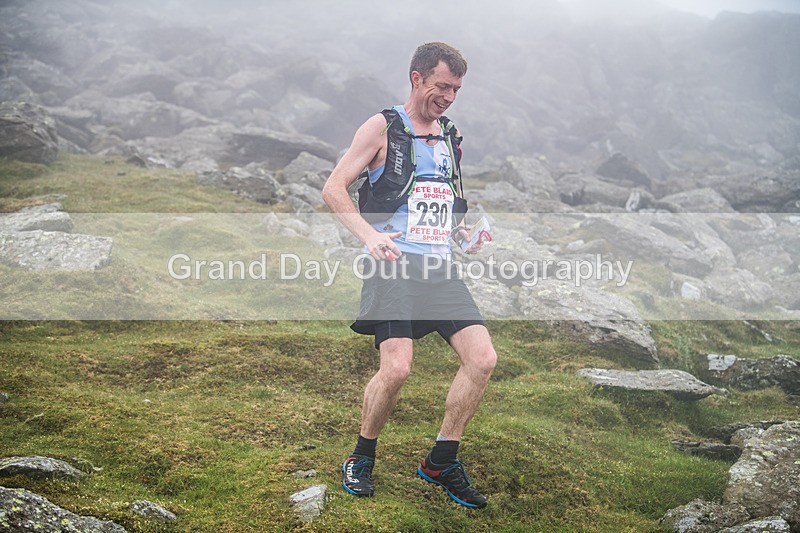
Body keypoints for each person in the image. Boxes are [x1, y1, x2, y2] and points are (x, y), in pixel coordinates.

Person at [321, 42, 497, 509]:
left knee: (482, 360)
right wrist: (367, 236)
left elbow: (439, 200)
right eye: (442, 86)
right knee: (396, 369)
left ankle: (441, 460)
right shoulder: (383, 126)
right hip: (394, 266)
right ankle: (361, 456)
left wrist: (464, 236)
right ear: (417, 78)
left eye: (457, 89)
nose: (450, 97)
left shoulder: (450, 134)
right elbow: (333, 188)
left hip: (439, 265)